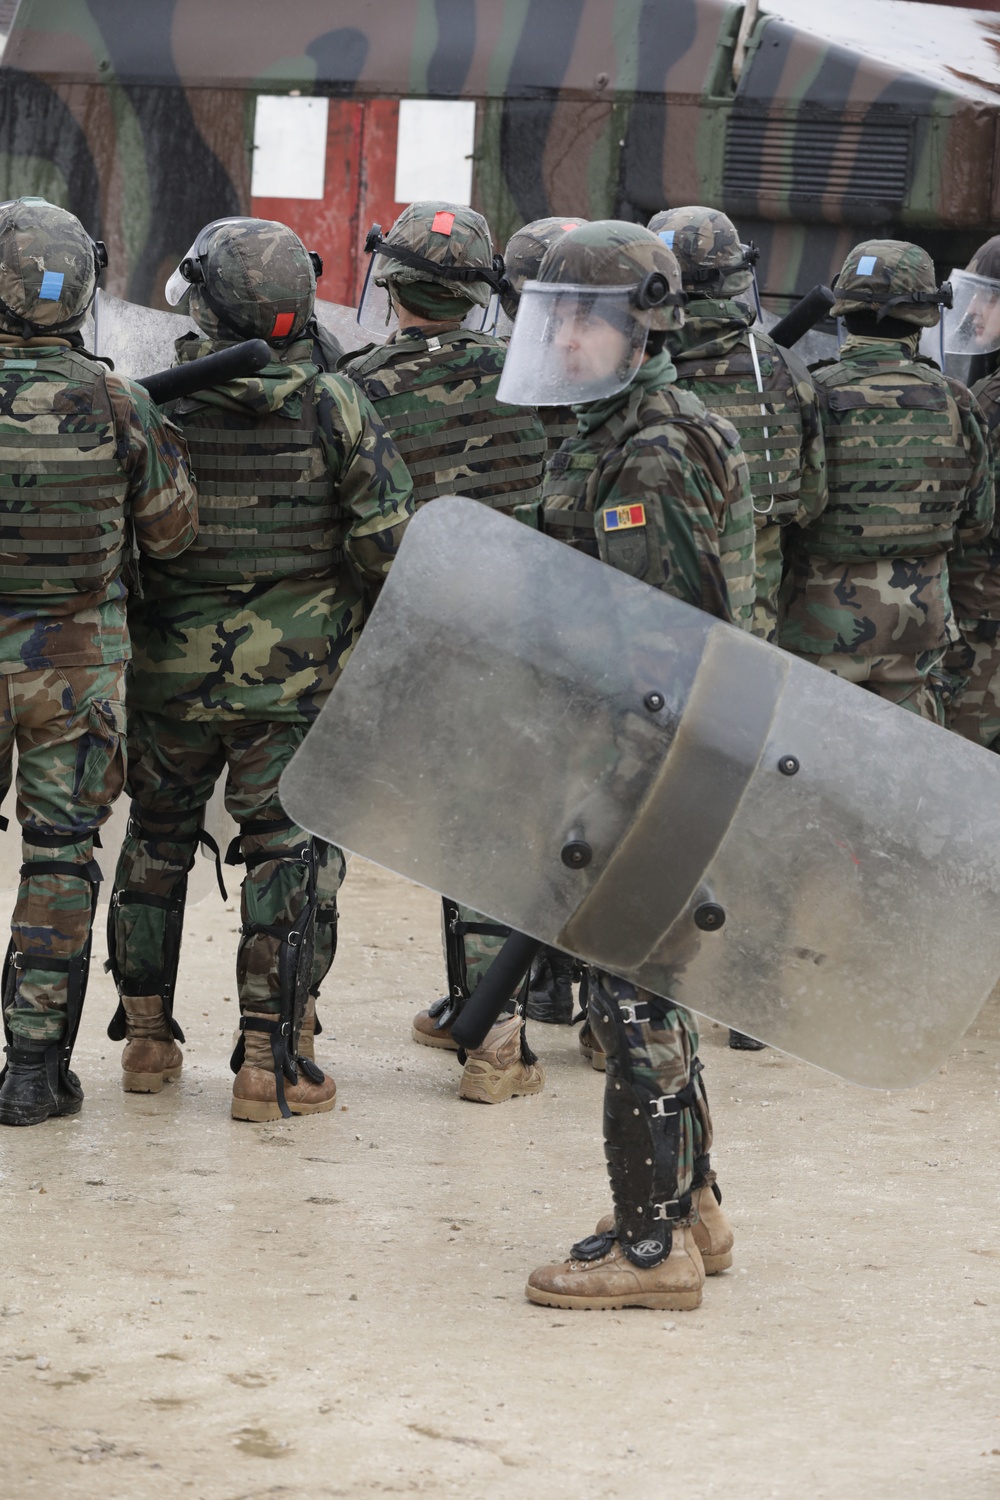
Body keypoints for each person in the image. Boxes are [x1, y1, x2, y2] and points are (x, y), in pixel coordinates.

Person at [497, 219, 751, 1309]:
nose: (560, 341)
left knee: (630, 993)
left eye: (582, 323)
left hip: (648, 763)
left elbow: (665, 652)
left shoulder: (648, 451)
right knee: (652, 986)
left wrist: (617, 798)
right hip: (650, 755)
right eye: (550, 319)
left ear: (640, 328)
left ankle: (650, 1250)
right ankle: (691, 1204)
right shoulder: (617, 429)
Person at [108, 217, 413, 1122]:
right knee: (287, 856)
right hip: (293, 687)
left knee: (156, 846)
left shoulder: (152, 403)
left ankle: (148, 1038)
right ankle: (269, 1060)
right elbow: (388, 547)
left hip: (167, 679)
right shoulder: (335, 404)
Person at [343, 202, 548, 1104]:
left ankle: (287, 1028)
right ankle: (493, 1033)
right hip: (515, 637)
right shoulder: (535, 381)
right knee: (488, 827)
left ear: (389, 283)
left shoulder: (354, 384)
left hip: (400, 636)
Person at [0, 197, 196, 1126]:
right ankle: (34, 1073)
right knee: (60, 858)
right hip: (75, 672)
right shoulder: (121, 400)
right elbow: (173, 532)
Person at [648, 204, 827, 1051]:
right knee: (749, 805)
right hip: (748, 629)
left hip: (648, 626)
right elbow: (809, 501)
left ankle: (603, 991)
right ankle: (752, 994)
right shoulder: (781, 374)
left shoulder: (639, 363)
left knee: (637, 804)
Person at [777, 239, 992, 722]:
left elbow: (794, 509)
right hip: (915, 637)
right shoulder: (957, 401)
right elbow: (977, 520)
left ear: (843, 308)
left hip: (818, 629)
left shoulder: (809, 391)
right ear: (925, 315)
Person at [647, 205, 826, 643]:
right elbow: (812, 499)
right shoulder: (784, 367)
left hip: (647, 609)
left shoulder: (624, 361)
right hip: (752, 612)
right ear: (733, 275)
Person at [941, 236, 1000, 749]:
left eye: (991, 298)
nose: (975, 310)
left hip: (984, 618)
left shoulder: (989, 399)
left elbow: (971, 514)